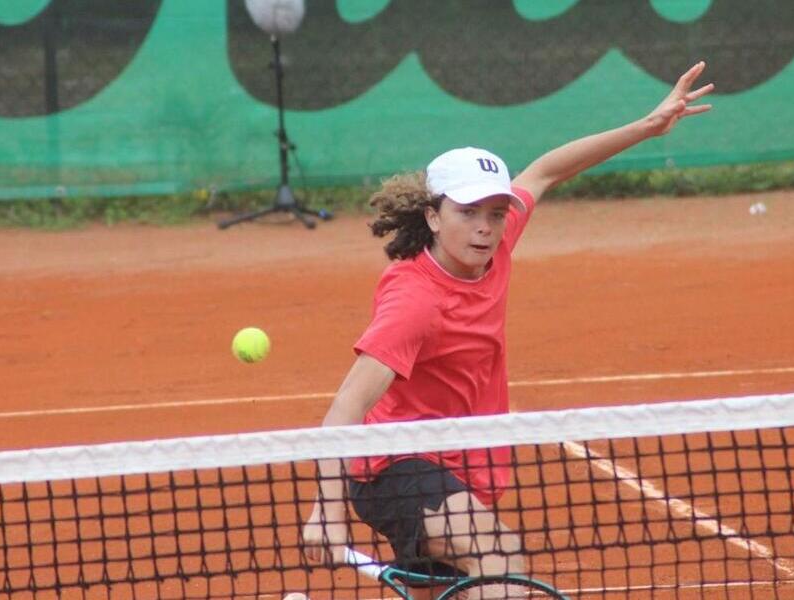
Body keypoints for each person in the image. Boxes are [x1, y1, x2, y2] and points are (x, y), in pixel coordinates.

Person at [302, 61, 714, 598]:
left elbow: (544, 170)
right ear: (433, 216)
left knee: (447, 588)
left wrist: (647, 125)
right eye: (469, 212)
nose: (485, 226)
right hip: (395, 466)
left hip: (463, 458)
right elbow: (347, 407)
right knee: (497, 556)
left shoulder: (492, 245)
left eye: (496, 213)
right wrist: (325, 513)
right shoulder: (415, 301)